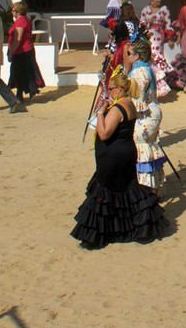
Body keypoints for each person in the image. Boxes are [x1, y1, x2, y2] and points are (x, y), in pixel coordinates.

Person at [71, 68, 168, 249]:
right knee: (126, 189)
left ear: (119, 90)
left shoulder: (118, 108)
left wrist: (101, 112)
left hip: (113, 156)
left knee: (105, 192)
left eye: (110, 88)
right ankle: (138, 228)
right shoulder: (129, 103)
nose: (108, 92)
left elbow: (105, 133)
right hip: (125, 152)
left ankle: (96, 235)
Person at [126, 40, 169, 191]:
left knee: (142, 149)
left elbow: (138, 98)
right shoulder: (146, 68)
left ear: (136, 55)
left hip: (145, 115)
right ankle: (154, 187)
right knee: (148, 149)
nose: (127, 57)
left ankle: (145, 189)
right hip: (151, 112)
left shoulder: (139, 72)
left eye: (129, 54)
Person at [138, 0, 174, 98]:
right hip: (147, 36)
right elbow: (140, 23)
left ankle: (159, 87)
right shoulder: (145, 10)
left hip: (158, 37)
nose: (158, 1)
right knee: (148, 57)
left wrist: (170, 37)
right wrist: (146, 21)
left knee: (156, 56)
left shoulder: (164, 10)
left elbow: (168, 24)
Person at [5, 2, 44, 102]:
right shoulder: (25, 20)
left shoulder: (20, 22)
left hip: (21, 51)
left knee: (20, 73)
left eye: (13, 11)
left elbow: (18, 39)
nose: (11, 12)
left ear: (18, 12)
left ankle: (25, 93)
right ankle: (23, 93)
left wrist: (11, 52)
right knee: (25, 72)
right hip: (25, 50)